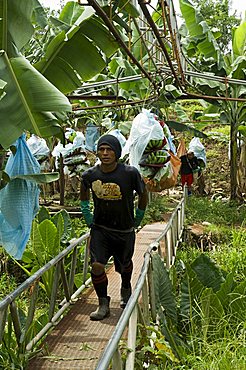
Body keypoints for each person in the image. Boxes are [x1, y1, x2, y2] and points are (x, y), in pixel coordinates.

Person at [80, 134, 148, 321]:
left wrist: (139, 216)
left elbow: (143, 193)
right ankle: (103, 303)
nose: (105, 153)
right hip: (101, 229)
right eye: (101, 149)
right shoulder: (90, 175)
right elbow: (83, 194)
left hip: (124, 230)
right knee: (97, 265)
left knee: (124, 266)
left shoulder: (129, 173)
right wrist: (87, 214)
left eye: (109, 149)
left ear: (117, 152)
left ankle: (126, 288)